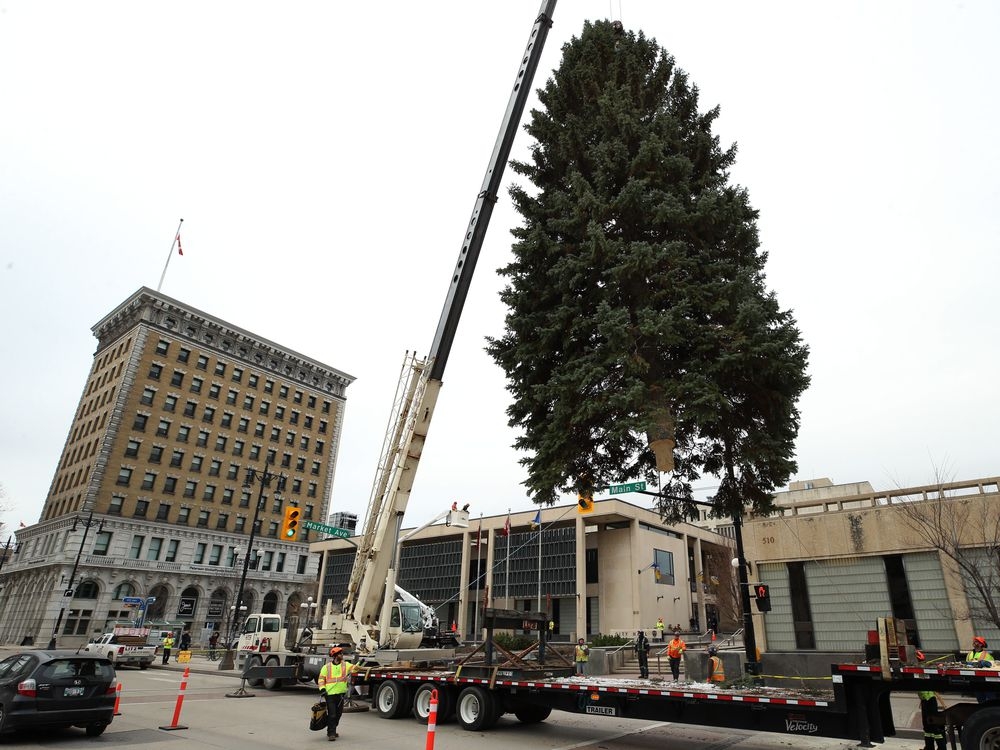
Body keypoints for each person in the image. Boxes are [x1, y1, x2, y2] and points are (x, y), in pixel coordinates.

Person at [318, 646, 356, 741]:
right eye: (340, 654)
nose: (342, 655)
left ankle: (331, 729)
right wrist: (322, 689)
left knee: (338, 714)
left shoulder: (345, 665)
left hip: (341, 695)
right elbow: (321, 679)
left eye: (342, 653)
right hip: (329, 694)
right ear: (335, 656)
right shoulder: (326, 667)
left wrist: (359, 665)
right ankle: (331, 733)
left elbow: (354, 668)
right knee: (332, 714)